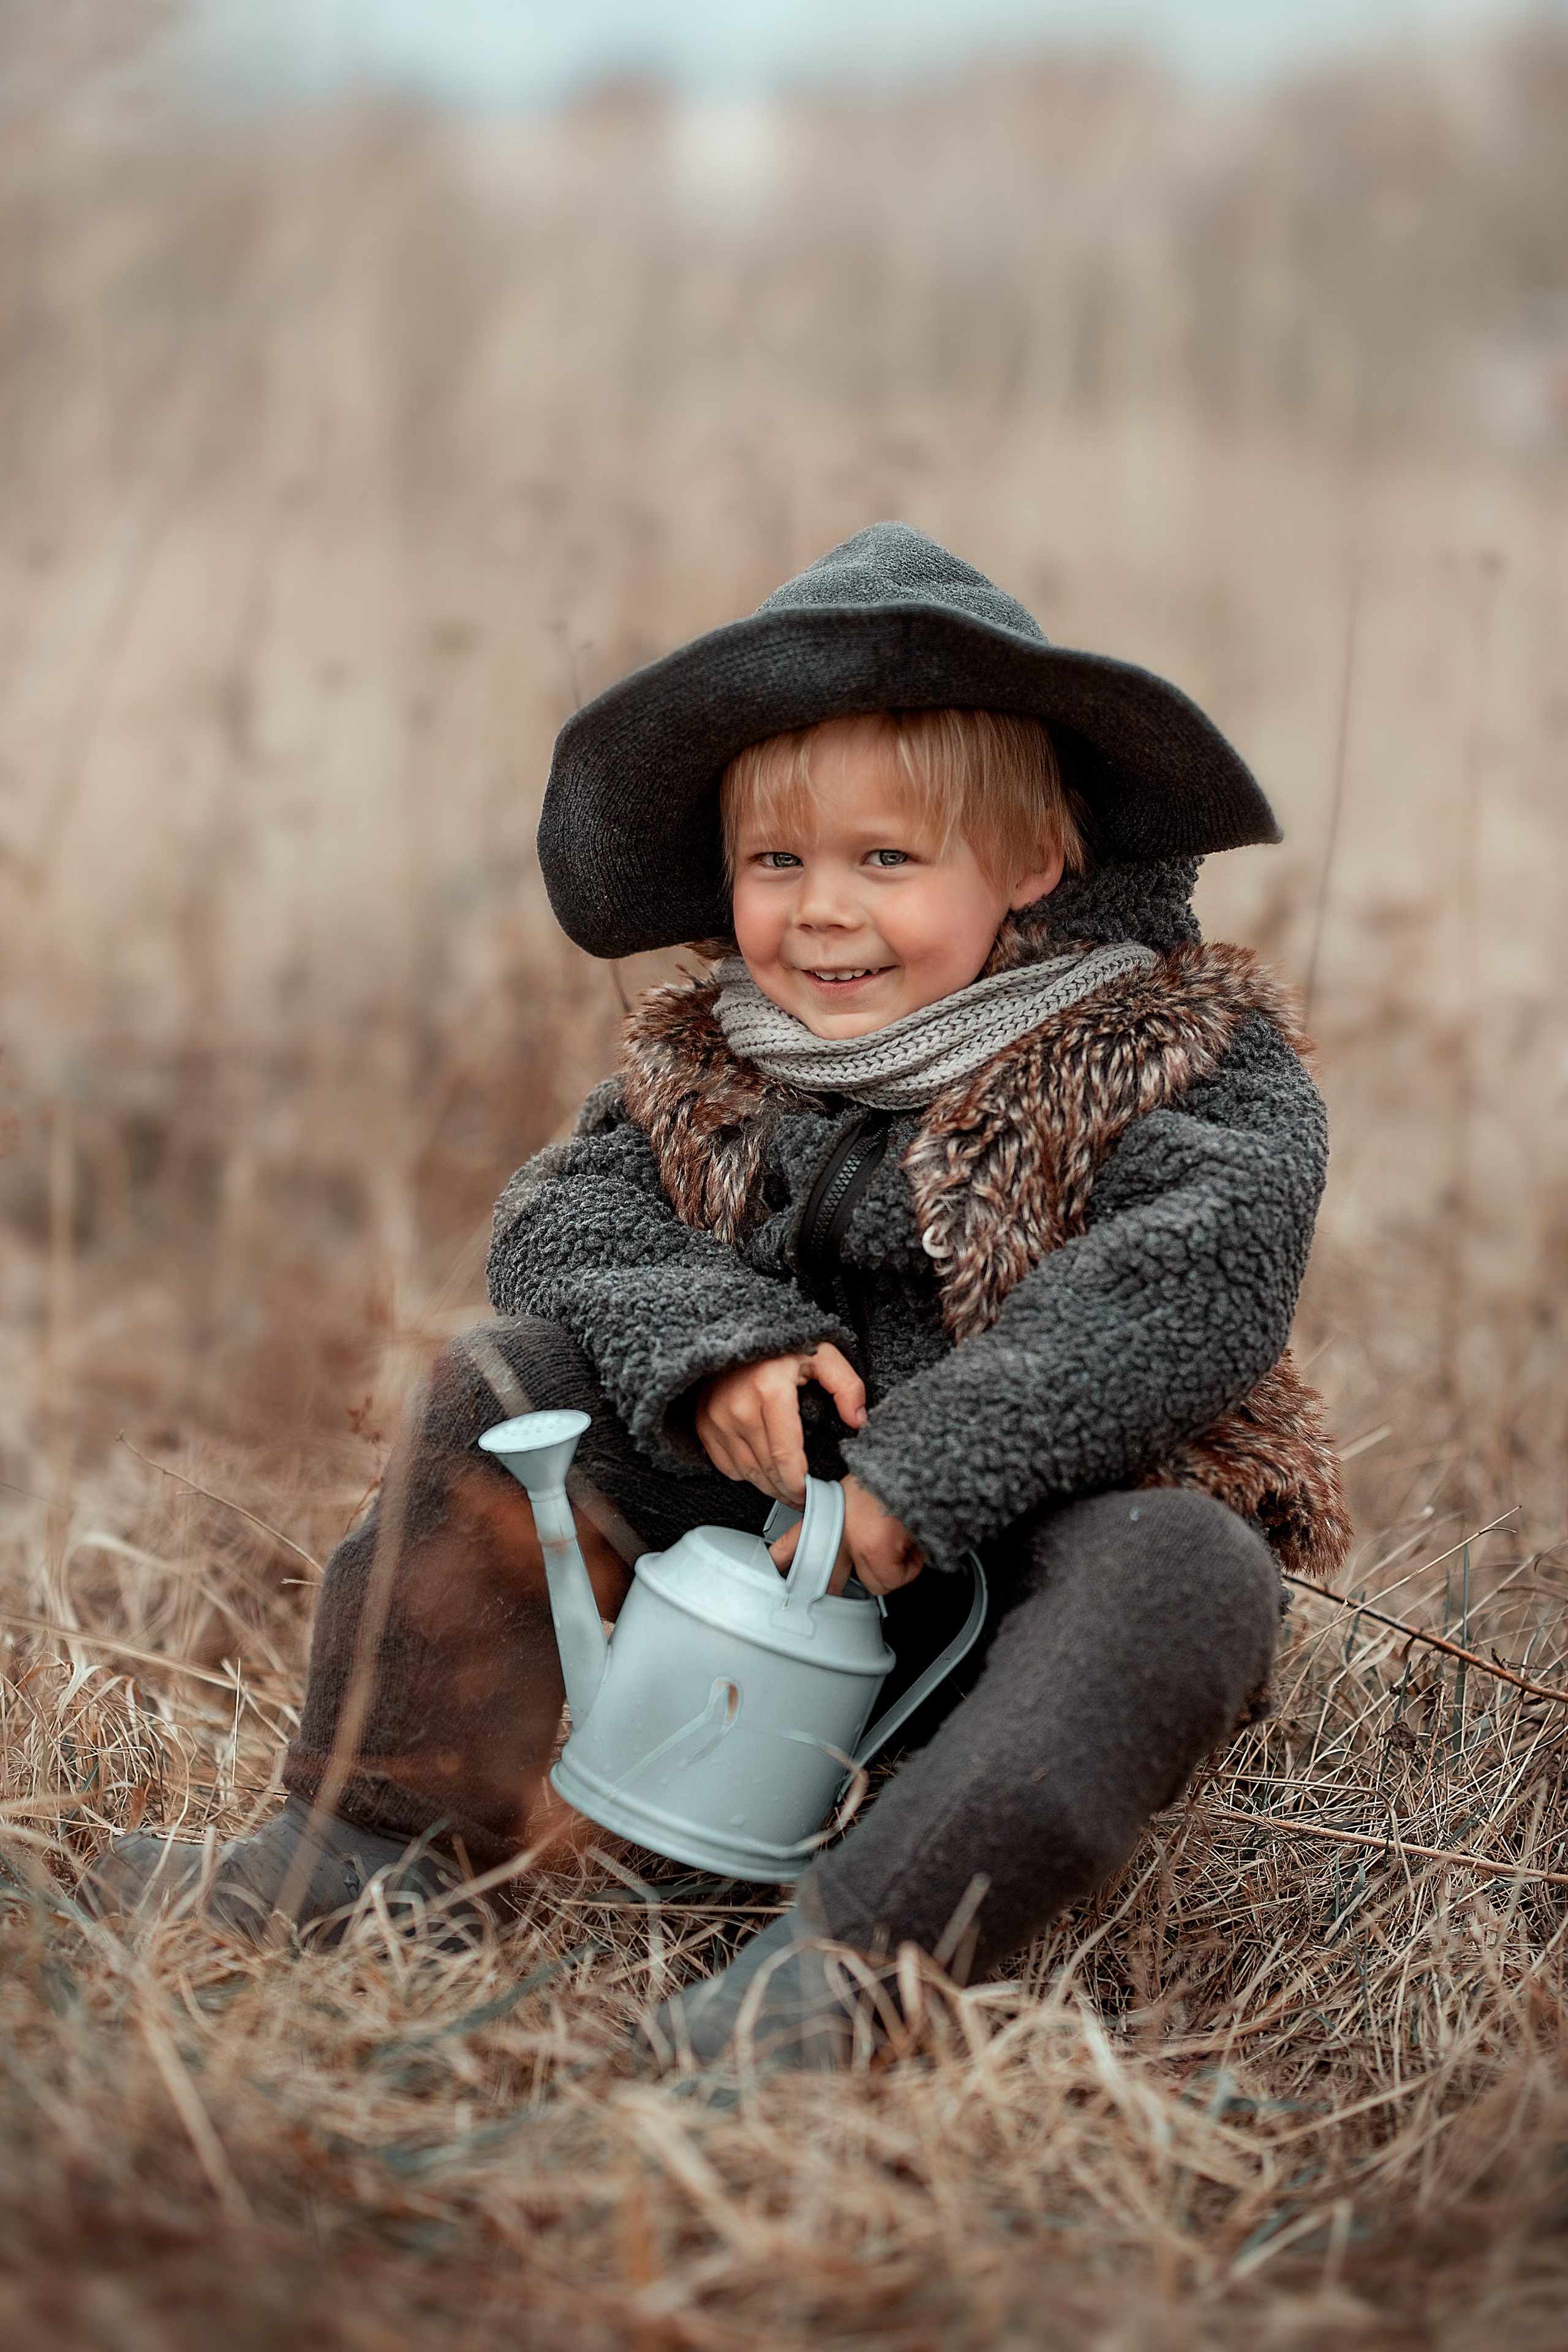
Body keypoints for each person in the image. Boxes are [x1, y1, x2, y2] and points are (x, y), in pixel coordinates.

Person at [86, 524, 1349, 2065]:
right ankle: (377, 1848)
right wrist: (715, 1348)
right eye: (778, 863)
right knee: (507, 1382)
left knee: (1187, 1569)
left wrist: (931, 1468)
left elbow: (1185, 1286)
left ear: (1032, 863)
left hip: (1019, 1560)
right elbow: (561, 1218)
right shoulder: (715, 1057)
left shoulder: (1175, 1064)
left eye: (886, 860)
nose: (821, 911)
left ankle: (839, 1981)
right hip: (749, 1558)